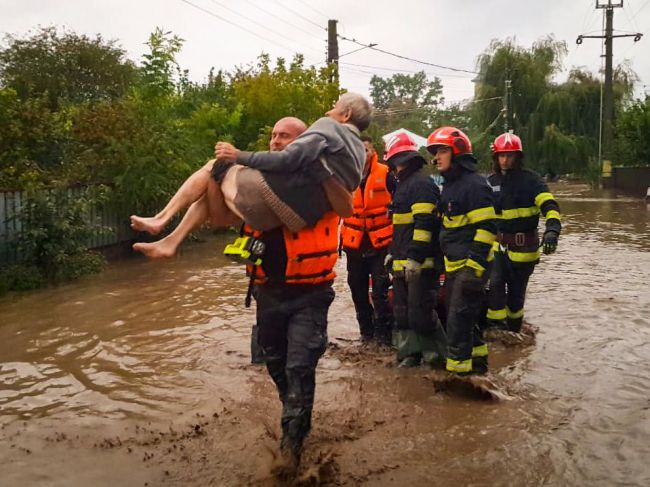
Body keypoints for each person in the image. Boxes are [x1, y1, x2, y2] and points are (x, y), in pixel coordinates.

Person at [240, 208, 339, 469]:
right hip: (268, 293)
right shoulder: (251, 191)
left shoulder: (320, 183)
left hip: (311, 293)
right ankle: (296, 413)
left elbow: (345, 201)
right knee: (275, 364)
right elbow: (216, 211)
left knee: (299, 366)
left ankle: (290, 450)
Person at [130, 117, 308, 259]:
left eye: (284, 136)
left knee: (215, 164)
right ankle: (168, 239)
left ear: (302, 141)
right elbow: (220, 220)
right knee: (210, 184)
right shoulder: (264, 168)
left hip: (289, 262)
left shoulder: (305, 168)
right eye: (273, 136)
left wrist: (231, 159)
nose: (275, 141)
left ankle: (162, 220)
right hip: (266, 275)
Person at [427, 126, 497, 375]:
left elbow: (488, 228)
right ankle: (478, 367)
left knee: (456, 323)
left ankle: (458, 378)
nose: (436, 157)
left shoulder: (474, 186)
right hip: (457, 267)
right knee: (466, 320)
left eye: (442, 150)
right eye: (435, 152)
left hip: (471, 267)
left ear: (457, 152)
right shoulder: (451, 186)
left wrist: (473, 268)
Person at [485, 132, 561, 332]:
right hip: (498, 246)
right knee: (495, 285)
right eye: (501, 155)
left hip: (524, 248)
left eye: (510, 155)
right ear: (495, 157)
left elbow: (550, 206)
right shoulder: (490, 182)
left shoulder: (532, 181)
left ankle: (515, 331)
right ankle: (496, 331)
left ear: (518, 157)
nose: (505, 160)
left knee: (516, 296)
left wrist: (552, 231)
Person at [383, 132, 447, 368]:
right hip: (402, 263)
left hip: (420, 266)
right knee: (402, 314)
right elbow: (401, 229)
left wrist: (415, 259)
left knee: (421, 315)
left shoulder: (420, 185)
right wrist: (393, 252)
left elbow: (424, 225)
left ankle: (439, 358)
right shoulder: (403, 186)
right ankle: (410, 355)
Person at [340, 136, 395, 345]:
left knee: (380, 292)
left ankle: (383, 337)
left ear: (372, 152)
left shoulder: (387, 174)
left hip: (380, 245)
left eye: (364, 149)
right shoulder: (344, 177)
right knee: (357, 291)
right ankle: (366, 334)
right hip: (354, 247)